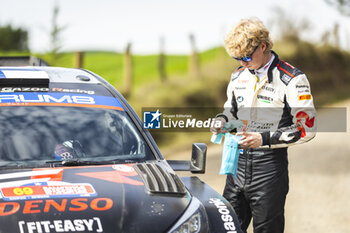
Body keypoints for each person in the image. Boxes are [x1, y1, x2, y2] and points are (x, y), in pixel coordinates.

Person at [211, 18, 316, 233]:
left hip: (268, 169)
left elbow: (306, 129)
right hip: (236, 166)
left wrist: (263, 139)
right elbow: (230, 111)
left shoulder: (293, 79)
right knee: (225, 228)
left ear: (263, 46)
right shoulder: (238, 75)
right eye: (237, 58)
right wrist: (222, 121)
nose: (243, 63)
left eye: (247, 57)